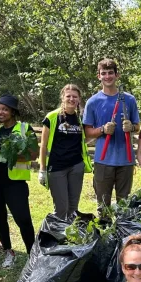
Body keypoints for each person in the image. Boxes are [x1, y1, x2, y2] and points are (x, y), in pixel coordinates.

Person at [0, 94, 38, 268]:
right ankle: (8, 252)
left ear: (13, 112)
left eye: (5, 109)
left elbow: (33, 154)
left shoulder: (24, 128)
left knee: (23, 219)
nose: (1, 112)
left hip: (14, 183)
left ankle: (33, 255)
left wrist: (8, 156)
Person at [83, 59, 140, 212]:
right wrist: (102, 130)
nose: (107, 76)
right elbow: (87, 133)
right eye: (104, 73)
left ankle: (122, 232)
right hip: (103, 161)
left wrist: (131, 127)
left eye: (110, 73)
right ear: (98, 76)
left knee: (124, 205)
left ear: (117, 75)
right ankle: (104, 232)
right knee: (103, 207)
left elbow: (138, 126)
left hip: (125, 160)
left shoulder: (129, 99)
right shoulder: (93, 102)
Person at [38, 84, 93, 220]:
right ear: (63, 97)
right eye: (68, 96)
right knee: (61, 207)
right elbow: (43, 145)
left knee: (73, 207)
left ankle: (69, 236)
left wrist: (102, 131)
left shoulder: (80, 119)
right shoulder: (52, 117)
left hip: (76, 166)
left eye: (75, 96)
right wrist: (42, 169)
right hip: (57, 167)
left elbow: (82, 141)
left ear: (79, 99)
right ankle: (55, 236)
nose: (71, 99)